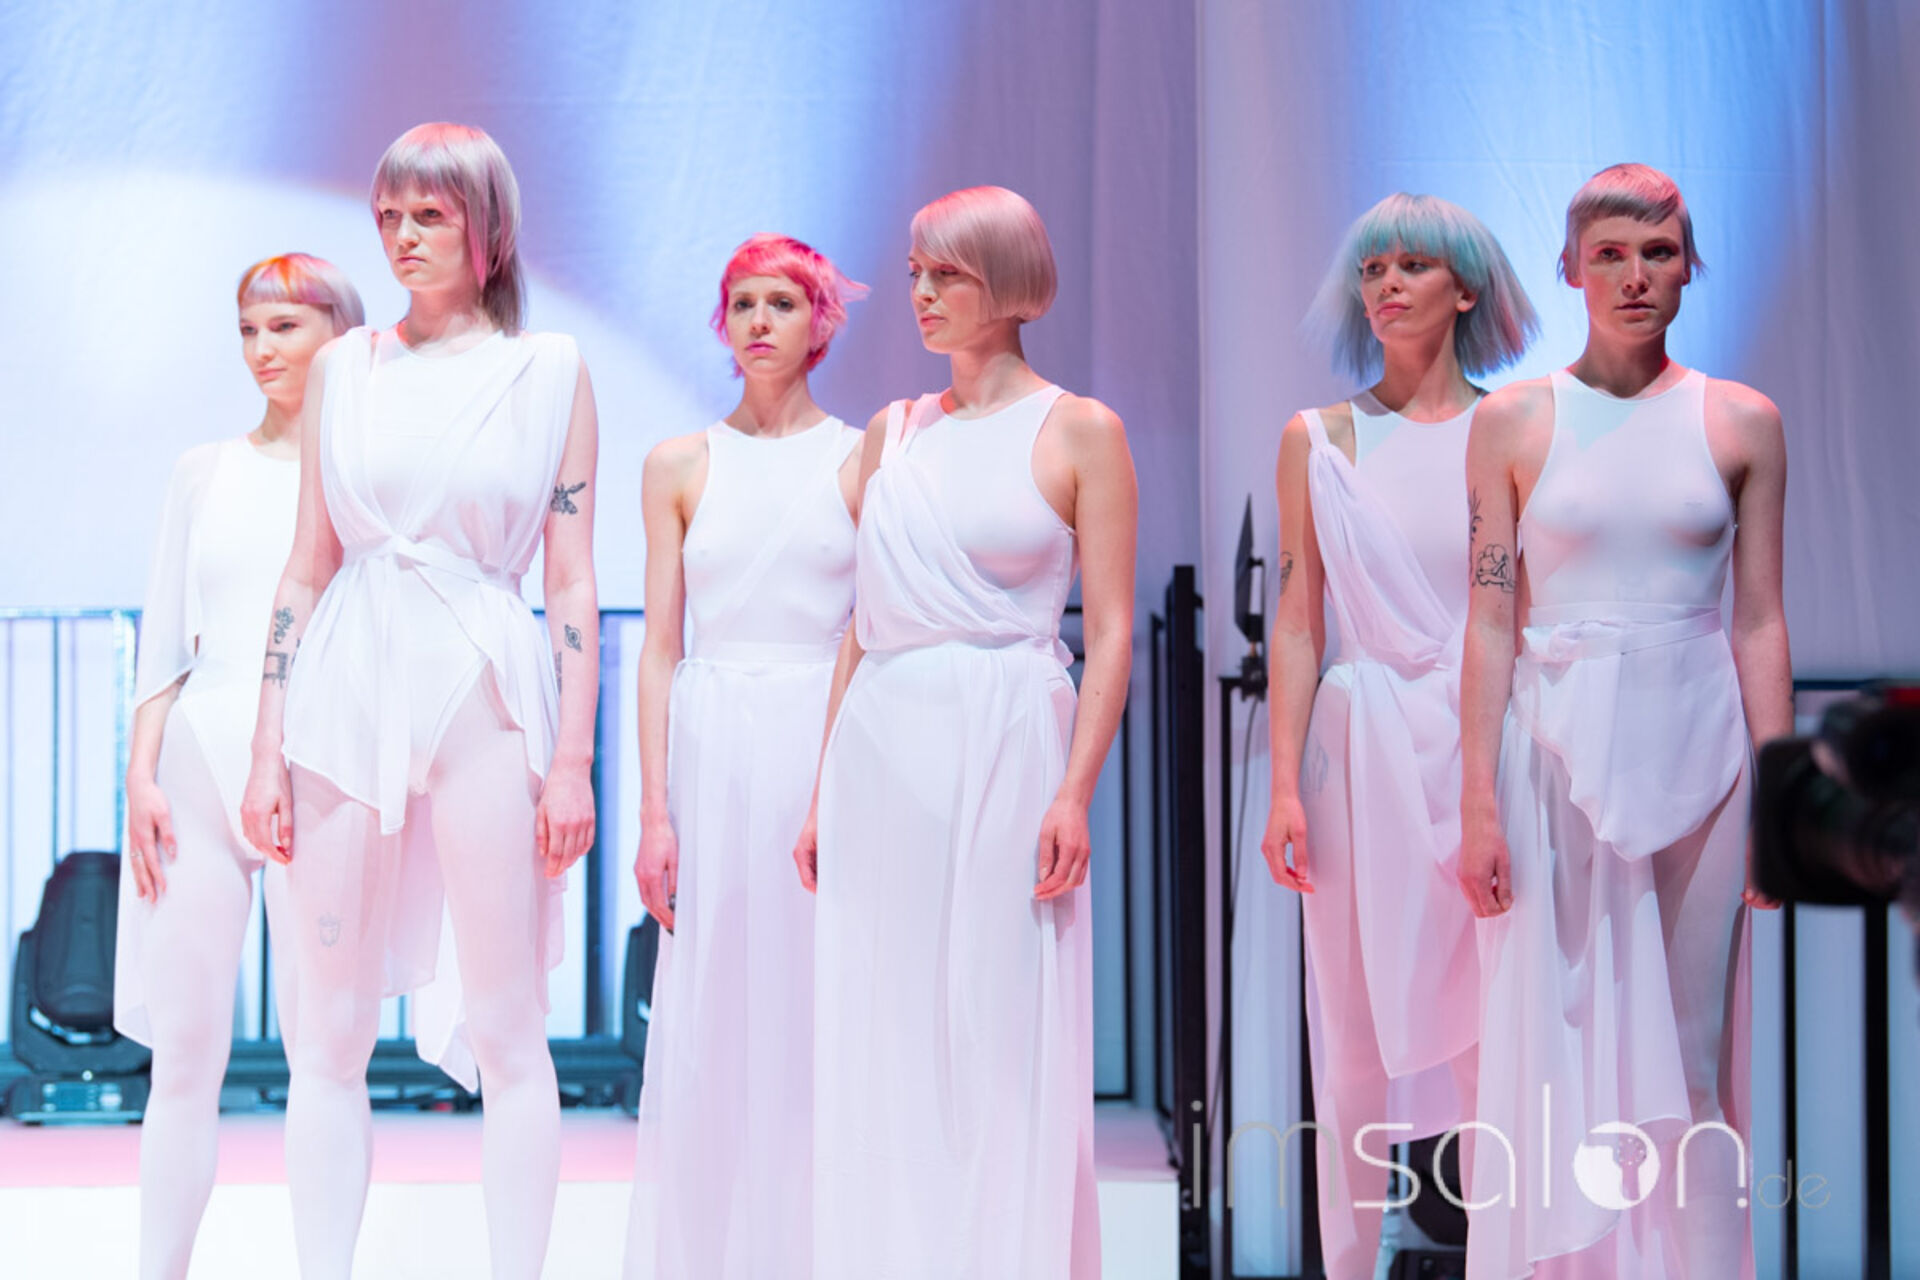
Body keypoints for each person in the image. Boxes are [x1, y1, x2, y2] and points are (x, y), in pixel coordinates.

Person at [238, 122, 600, 1280]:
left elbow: (572, 578)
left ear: (486, 226)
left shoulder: (550, 371)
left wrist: (575, 759)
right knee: (328, 1027)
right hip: (347, 680)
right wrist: (263, 743)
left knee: (507, 1022)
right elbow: (307, 562)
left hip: (483, 681)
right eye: (389, 214)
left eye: (429, 214)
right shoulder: (344, 369)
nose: (402, 235)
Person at [793, 185, 1136, 1279]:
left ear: (1010, 282)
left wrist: (1075, 790)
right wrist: (820, 790)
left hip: (1007, 736)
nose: (923, 294)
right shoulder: (893, 430)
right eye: (915, 273)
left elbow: (1112, 631)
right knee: (883, 1020)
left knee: (1000, 1017)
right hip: (884, 743)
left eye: (949, 274)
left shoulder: (1080, 428)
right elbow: (862, 625)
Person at [1458, 163, 1790, 1278]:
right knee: (1552, 1060)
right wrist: (1475, 803)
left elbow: (1759, 618)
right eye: (1610, 254)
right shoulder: (1512, 420)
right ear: (1570, 269)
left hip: (1702, 751)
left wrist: (1785, 797)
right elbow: (1489, 617)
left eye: (1658, 252)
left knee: (1695, 1066)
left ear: (1690, 266)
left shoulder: (1742, 420)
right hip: (1551, 750)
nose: (1636, 275)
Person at [1262, 194, 1537, 1278]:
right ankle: (1346, 1262)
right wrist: (1284, 784)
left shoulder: (1516, 427)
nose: (1385, 285)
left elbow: (1518, 607)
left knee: (1490, 1031)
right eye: (1373, 268)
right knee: (1351, 1038)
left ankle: (1503, 1260)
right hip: (1357, 742)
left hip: (1483, 745)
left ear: (1464, 289)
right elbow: (1297, 619)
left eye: (1411, 265)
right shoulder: (1319, 438)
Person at [622, 233, 866, 1279]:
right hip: (713, 740)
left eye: (784, 301)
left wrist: (839, 780)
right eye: (743, 302)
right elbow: (660, 646)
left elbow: (871, 627)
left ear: (821, 321)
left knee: (821, 1004)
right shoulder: (679, 463)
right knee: (714, 1010)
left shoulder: (864, 456)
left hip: (824, 735)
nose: (760, 320)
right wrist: (654, 811)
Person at [116, 253, 363, 1280]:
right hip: (199, 760)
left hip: (324, 758)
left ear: (341, 334)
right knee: (183, 1054)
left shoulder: (364, 479)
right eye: (250, 330)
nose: (263, 349)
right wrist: (139, 776)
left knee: (328, 1054)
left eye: (286, 327)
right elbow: (163, 641)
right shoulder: (203, 471)